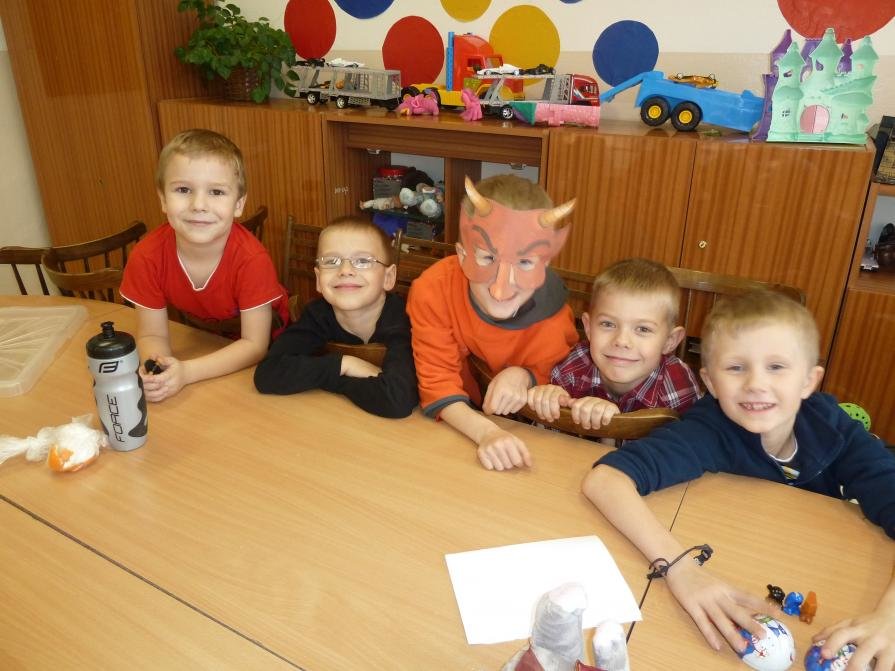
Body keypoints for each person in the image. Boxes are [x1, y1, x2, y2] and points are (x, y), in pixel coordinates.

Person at [581, 290, 895, 669]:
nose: (755, 384)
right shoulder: (710, 428)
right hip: (746, 565)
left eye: (776, 367)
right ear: (711, 382)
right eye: (735, 368)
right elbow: (606, 480)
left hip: (823, 567)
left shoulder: (834, 431)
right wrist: (680, 568)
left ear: (809, 380)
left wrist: (890, 616)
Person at [407, 175, 579, 471]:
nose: (503, 287)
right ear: (462, 254)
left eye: (524, 263)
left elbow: (565, 385)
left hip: (537, 442)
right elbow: (438, 384)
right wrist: (487, 433)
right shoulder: (433, 290)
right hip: (463, 428)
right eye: (487, 258)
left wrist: (525, 376)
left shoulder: (554, 320)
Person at [120, 129, 289, 402]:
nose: (199, 204)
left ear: (238, 204)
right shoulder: (146, 257)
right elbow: (152, 333)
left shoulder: (252, 260)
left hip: (267, 347)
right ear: (163, 199)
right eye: (183, 190)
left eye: (216, 192)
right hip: (205, 341)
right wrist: (159, 370)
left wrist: (187, 372)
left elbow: (255, 345)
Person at [253, 217, 418, 418]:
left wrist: (330, 376)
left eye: (363, 261)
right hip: (337, 419)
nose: (345, 271)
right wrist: (345, 365)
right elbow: (268, 374)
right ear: (318, 279)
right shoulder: (318, 315)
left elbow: (398, 399)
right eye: (331, 262)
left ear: (388, 277)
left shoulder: (405, 320)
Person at [528, 258, 700, 430]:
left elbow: (691, 442)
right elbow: (542, 438)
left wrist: (611, 430)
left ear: (669, 341)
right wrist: (547, 403)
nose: (621, 341)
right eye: (608, 324)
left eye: (643, 329)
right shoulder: (571, 369)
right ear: (588, 328)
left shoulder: (678, 385)